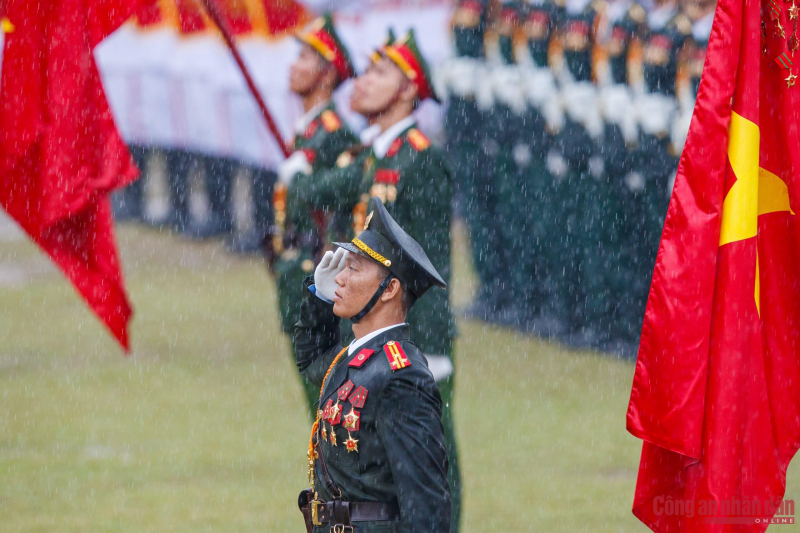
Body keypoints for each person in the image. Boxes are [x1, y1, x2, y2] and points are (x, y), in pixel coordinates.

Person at [291, 30, 463, 531]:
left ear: (409, 89)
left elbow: (432, 259)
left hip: (409, 328)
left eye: (380, 73)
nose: (364, 82)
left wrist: (430, 341)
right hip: (373, 323)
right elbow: (318, 194)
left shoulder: (420, 158)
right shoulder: (375, 154)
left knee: (429, 461)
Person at [295, 197, 451, 533]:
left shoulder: (401, 376)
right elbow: (311, 360)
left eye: (353, 268)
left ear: (390, 288)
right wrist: (320, 300)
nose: (340, 278)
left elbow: (426, 506)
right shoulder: (356, 355)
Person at [269, 14, 358, 420]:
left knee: (327, 400)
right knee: (314, 399)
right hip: (294, 270)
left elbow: (342, 204)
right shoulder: (307, 130)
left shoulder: (334, 133)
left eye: (305, 57)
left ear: (327, 74)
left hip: (317, 275)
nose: (293, 66)